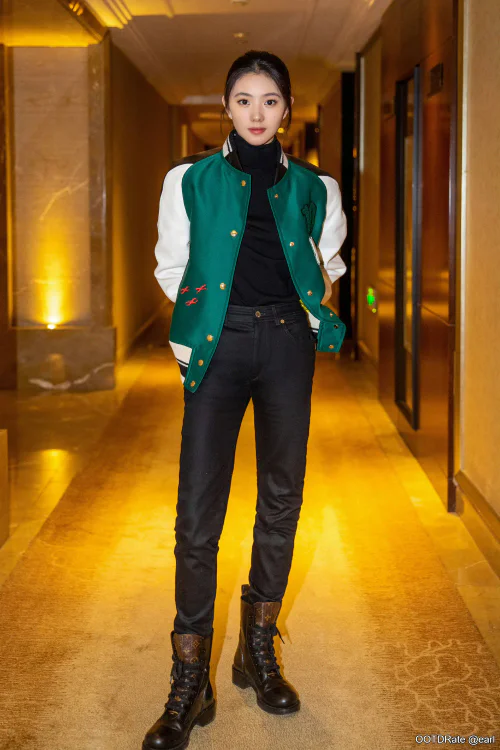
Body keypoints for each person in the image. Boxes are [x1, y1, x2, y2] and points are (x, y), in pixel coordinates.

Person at [142, 50, 347, 750]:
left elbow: (326, 261)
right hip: (219, 347)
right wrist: (202, 323)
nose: (257, 113)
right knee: (197, 513)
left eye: (270, 101)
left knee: (281, 498)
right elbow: (173, 266)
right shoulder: (187, 180)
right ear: (226, 107)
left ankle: (256, 650)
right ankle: (189, 677)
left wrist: (305, 312)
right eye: (243, 100)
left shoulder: (318, 187)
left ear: (285, 109)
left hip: (287, 344)